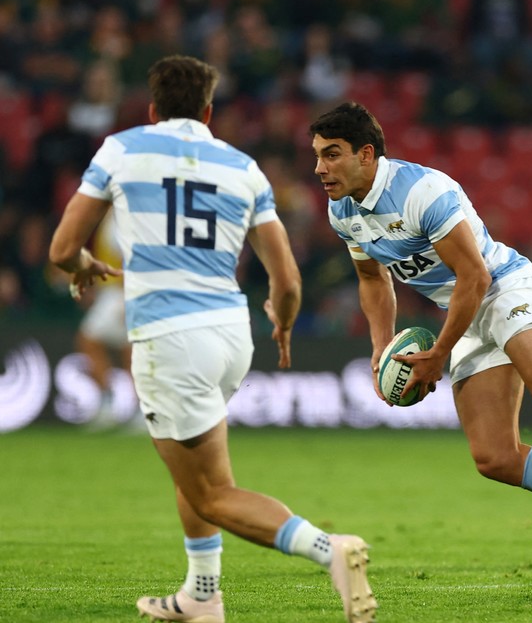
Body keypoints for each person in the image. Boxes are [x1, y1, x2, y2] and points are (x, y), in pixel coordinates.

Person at [48, 56, 376, 623]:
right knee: (195, 470)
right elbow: (286, 280)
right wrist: (283, 322)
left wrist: (82, 266)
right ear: (207, 112)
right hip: (229, 334)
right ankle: (202, 595)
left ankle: (331, 550)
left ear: (153, 110)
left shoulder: (121, 150)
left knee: (211, 492)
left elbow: (61, 249)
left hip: (169, 336)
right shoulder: (242, 167)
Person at [308, 102, 532, 598]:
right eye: (317, 156)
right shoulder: (343, 212)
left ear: (367, 154)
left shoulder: (421, 191)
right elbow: (372, 279)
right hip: (464, 313)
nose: (320, 168)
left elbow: (475, 275)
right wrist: (381, 347)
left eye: (331, 154)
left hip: (506, 289)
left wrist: (439, 354)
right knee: (495, 457)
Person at [76, 210, 134, 430]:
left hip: (119, 294)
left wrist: (130, 296)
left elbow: (131, 257)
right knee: (130, 353)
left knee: (88, 339)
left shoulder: (123, 212)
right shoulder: (112, 212)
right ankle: (141, 410)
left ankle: (109, 403)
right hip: (111, 292)